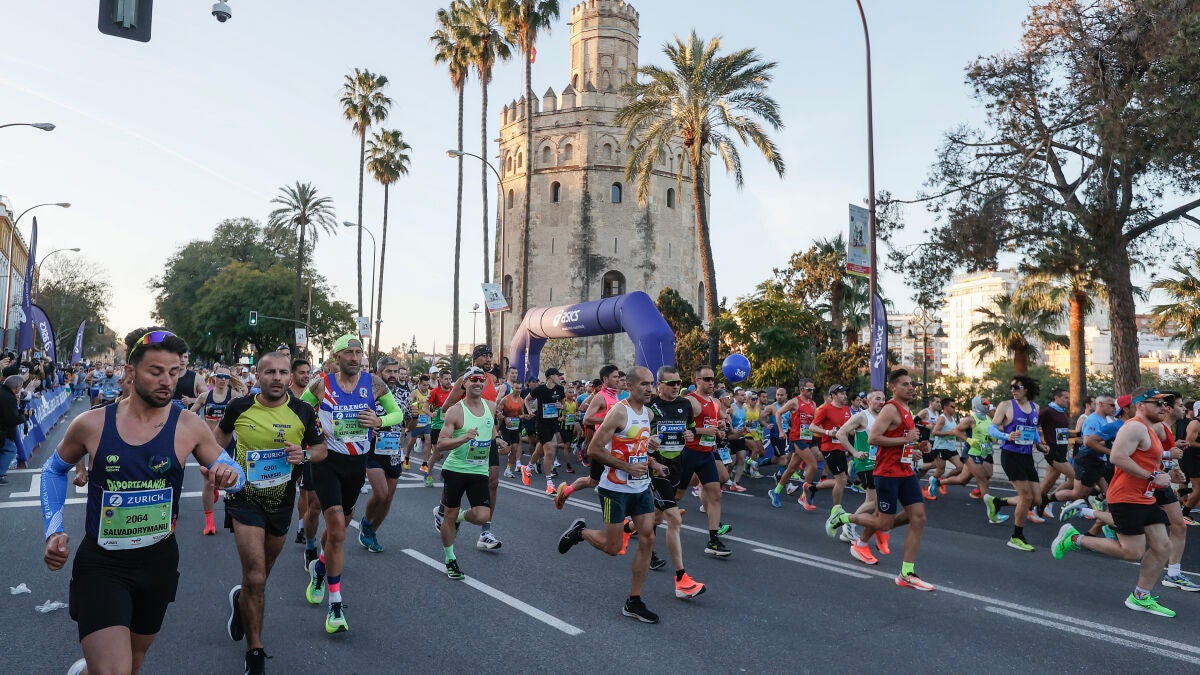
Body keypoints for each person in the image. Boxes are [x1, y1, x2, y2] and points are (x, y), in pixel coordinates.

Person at [39, 328, 246, 675]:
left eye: (174, 372)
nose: (167, 381)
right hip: (103, 564)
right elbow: (52, 470)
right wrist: (53, 529)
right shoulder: (91, 424)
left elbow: (233, 471)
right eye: (156, 371)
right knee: (115, 671)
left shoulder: (189, 426)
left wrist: (230, 476)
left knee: (132, 664)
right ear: (131, 372)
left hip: (158, 563)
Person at [217, 352, 326, 673]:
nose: (277, 377)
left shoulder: (303, 411)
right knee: (255, 575)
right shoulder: (239, 407)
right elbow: (218, 438)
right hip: (244, 498)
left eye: (282, 372)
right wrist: (220, 466)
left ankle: (242, 601)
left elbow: (321, 449)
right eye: (270, 372)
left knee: (261, 576)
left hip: (281, 501)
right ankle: (255, 651)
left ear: (289, 377)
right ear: (258, 375)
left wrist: (304, 454)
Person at [299, 335, 405, 634]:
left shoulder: (374, 384)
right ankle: (335, 604)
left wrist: (379, 421)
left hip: (356, 464)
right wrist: (312, 430)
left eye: (358, 352)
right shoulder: (321, 385)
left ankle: (320, 567)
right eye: (349, 352)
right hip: (327, 461)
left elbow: (397, 413)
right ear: (336, 357)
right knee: (337, 530)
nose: (355, 357)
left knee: (341, 527)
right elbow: (298, 410)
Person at [1051, 389, 1180, 617]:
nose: (1163, 408)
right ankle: (1074, 538)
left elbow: (1146, 460)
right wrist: (1153, 476)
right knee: (1132, 552)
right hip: (1126, 497)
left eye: (1165, 404)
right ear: (1140, 405)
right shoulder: (1134, 427)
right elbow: (1117, 457)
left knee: (1163, 546)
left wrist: (1167, 473)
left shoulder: (1149, 429)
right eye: (1157, 403)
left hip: (1145, 496)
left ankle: (1140, 596)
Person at [558, 366, 664, 623]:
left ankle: (634, 601)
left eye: (651, 384)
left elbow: (636, 445)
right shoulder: (618, 412)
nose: (649, 389)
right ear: (629, 385)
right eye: (644, 384)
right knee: (613, 547)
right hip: (614, 489)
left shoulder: (648, 413)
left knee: (648, 538)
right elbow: (594, 449)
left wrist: (651, 454)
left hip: (640, 487)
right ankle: (580, 532)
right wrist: (626, 467)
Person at [830, 369, 933, 590]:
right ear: (893, 388)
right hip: (887, 473)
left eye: (912, 384)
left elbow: (902, 441)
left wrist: (917, 447)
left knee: (918, 517)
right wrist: (905, 439)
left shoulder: (907, 410)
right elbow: (874, 438)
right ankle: (844, 517)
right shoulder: (890, 409)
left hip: (905, 471)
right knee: (884, 522)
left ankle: (907, 573)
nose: (911, 388)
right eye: (905, 384)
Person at [435, 366, 508, 579]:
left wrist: (498, 439)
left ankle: (457, 517)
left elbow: (489, 427)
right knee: (448, 515)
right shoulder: (455, 411)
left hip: (479, 470)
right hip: (456, 470)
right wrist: (463, 438)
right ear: (464, 383)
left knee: (482, 515)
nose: (477, 382)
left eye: (481, 379)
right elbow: (441, 443)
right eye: (473, 379)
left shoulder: (491, 406)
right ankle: (450, 558)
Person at [642, 365, 705, 598]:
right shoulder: (649, 406)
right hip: (656, 467)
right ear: (659, 385)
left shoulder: (685, 405)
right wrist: (648, 444)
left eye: (678, 382)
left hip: (677, 464)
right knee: (674, 519)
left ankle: (630, 531)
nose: (676, 387)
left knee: (657, 516)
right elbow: (637, 437)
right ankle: (681, 580)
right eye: (671, 383)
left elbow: (690, 430)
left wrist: (690, 434)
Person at [984, 375, 1048, 551]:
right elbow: (991, 428)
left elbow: (1033, 431)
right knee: (1026, 497)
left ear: (1026, 389)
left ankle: (998, 502)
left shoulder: (1035, 407)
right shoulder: (1006, 405)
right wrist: (1006, 436)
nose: (1012, 390)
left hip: (1027, 456)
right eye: (1011, 387)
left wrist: (1040, 445)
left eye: (1016, 387)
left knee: (1036, 499)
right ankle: (1016, 537)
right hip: (1010, 455)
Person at [676, 365, 732, 557]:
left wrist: (719, 429)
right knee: (675, 496)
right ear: (697, 380)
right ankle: (638, 523)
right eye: (707, 379)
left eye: (713, 379)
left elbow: (714, 424)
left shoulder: (714, 402)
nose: (711, 382)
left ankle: (713, 541)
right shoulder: (690, 401)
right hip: (689, 453)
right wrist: (702, 431)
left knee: (715, 495)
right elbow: (678, 427)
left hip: (707, 454)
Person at [358, 356, 410, 554]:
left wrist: (413, 417)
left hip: (393, 451)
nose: (393, 375)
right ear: (379, 373)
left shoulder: (404, 394)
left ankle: (372, 531)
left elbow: (408, 424)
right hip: (373, 450)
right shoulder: (369, 392)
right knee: (381, 493)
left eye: (395, 371)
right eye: (389, 371)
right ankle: (366, 522)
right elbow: (357, 418)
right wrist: (369, 429)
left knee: (388, 498)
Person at [834, 390, 886, 559]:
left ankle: (848, 528)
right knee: (876, 502)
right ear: (868, 401)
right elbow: (840, 433)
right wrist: (855, 452)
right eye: (877, 398)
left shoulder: (884, 417)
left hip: (879, 464)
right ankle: (847, 521)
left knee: (870, 501)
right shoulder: (862, 416)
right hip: (866, 464)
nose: (881, 401)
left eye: (883, 399)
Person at [191, 366, 236, 535]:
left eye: (226, 377)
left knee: (230, 481)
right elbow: (189, 415)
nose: (223, 379)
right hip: (208, 445)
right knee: (208, 482)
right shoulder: (204, 397)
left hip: (228, 445)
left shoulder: (234, 397)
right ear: (214, 378)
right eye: (220, 376)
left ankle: (232, 516)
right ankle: (209, 522)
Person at [770, 378, 820, 510]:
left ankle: (775, 491)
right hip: (797, 439)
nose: (812, 391)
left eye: (813, 389)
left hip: (808, 439)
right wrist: (781, 431)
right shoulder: (794, 402)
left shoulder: (813, 404)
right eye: (809, 389)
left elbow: (815, 421)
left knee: (791, 469)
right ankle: (804, 496)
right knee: (813, 465)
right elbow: (778, 413)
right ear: (802, 389)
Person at [809, 384, 854, 512]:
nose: (845, 396)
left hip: (841, 447)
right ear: (833, 395)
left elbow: (850, 430)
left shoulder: (846, 409)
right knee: (841, 480)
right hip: (829, 448)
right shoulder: (825, 409)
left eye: (845, 393)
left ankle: (814, 488)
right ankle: (836, 510)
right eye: (842, 393)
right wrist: (828, 432)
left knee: (843, 481)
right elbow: (812, 427)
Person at [524, 368, 566, 495]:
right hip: (542, 424)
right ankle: (549, 484)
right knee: (550, 451)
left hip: (554, 423)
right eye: (558, 375)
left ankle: (528, 468)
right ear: (550, 377)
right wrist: (530, 411)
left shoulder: (560, 389)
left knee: (540, 449)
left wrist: (561, 406)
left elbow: (564, 405)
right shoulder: (540, 389)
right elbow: (526, 399)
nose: (560, 377)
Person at [1037, 388, 1076, 519]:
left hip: (1062, 450)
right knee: (1075, 478)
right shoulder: (1047, 411)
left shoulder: (1063, 412)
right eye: (1065, 397)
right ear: (1056, 398)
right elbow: (1033, 426)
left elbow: (1062, 432)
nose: (1068, 400)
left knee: (1049, 481)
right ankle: (1049, 501)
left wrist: (1077, 435)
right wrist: (1040, 442)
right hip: (1052, 451)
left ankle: (1034, 505)